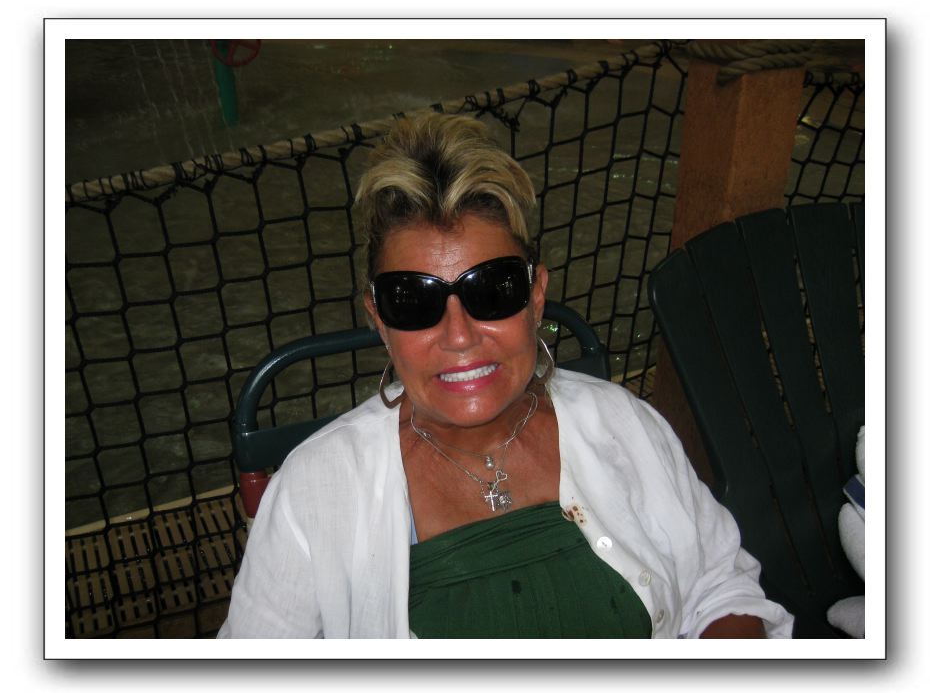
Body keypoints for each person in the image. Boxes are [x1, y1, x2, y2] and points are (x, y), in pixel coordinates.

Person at [217, 113, 793, 639]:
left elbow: (719, 587)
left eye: (491, 290)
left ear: (536, 296)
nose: (459, 335)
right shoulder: (314, 491)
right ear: (379, 320)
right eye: (413, 301)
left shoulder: (624, 423)